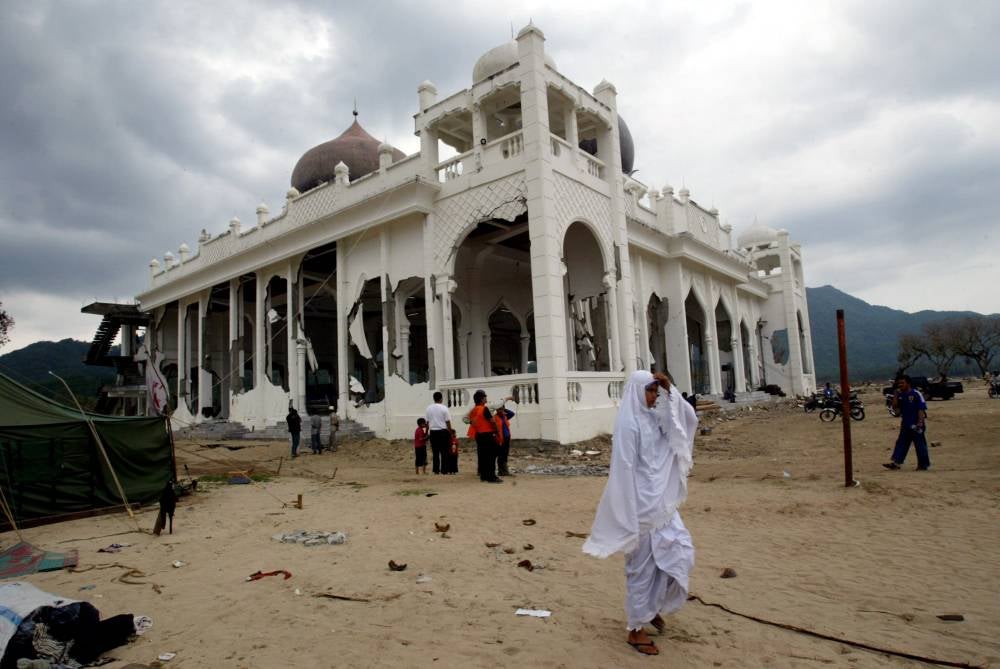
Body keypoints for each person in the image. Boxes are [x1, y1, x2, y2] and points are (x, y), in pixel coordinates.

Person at [583, 370, 698, 656]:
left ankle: (651, 607)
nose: (653, 396)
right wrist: (627, 510)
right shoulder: (628, 424)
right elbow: (623, 469)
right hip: (641, 506)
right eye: (649, 390)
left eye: (655, 391)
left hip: (663, 503)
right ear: (636, 391)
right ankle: (635, 628)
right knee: (642, 569)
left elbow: (686, 420)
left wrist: (670, 390)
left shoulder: (654, 417)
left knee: (679, 552)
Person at [883, 374, 930, 471]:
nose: (900, 385)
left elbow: (921, 409)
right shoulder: (900, 395)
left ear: (908, 383)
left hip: (916, 424)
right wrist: (896, 395)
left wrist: (920, 422)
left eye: (902, 383)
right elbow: (895, 407)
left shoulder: (916, 393)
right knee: (901, 443)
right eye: (899, 383)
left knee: (920, 444)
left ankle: (923, 465)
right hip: (905, 424)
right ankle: (896, 463)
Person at [467, 389, 502, 483]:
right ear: (482, 399)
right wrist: (497, 431)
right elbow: (492, 421)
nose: (486, 398)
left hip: (479, 435)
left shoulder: (473, 410)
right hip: (488, 435)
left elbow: (469, 421)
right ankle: (491, 477)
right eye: (485, 397)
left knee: (482, 456)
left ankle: (484, 476)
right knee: (491, 456)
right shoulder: (484, 409)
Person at [425, 391, 453, 475]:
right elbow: (447, 421)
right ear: (441, 398)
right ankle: (444, 470)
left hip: (433, 432)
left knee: (435, 452)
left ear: (434, 398)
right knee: (444, 451)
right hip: (443, 431)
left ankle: (436, 470)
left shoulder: (429, 408)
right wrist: (450, 432)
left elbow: (427, 423)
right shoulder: (444, 408)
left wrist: (426, 433)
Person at [492, 396, 516, 477]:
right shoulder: (495, 418)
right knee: (501, 455)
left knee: (505, 455)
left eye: (502, 409)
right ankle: (501, 471)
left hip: (506, 438)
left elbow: (512, 413)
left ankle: (505, 471)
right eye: (499, 409)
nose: (500, 410)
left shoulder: (505, 417)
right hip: (500, 440)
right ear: (496, 410)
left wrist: (504, 409)